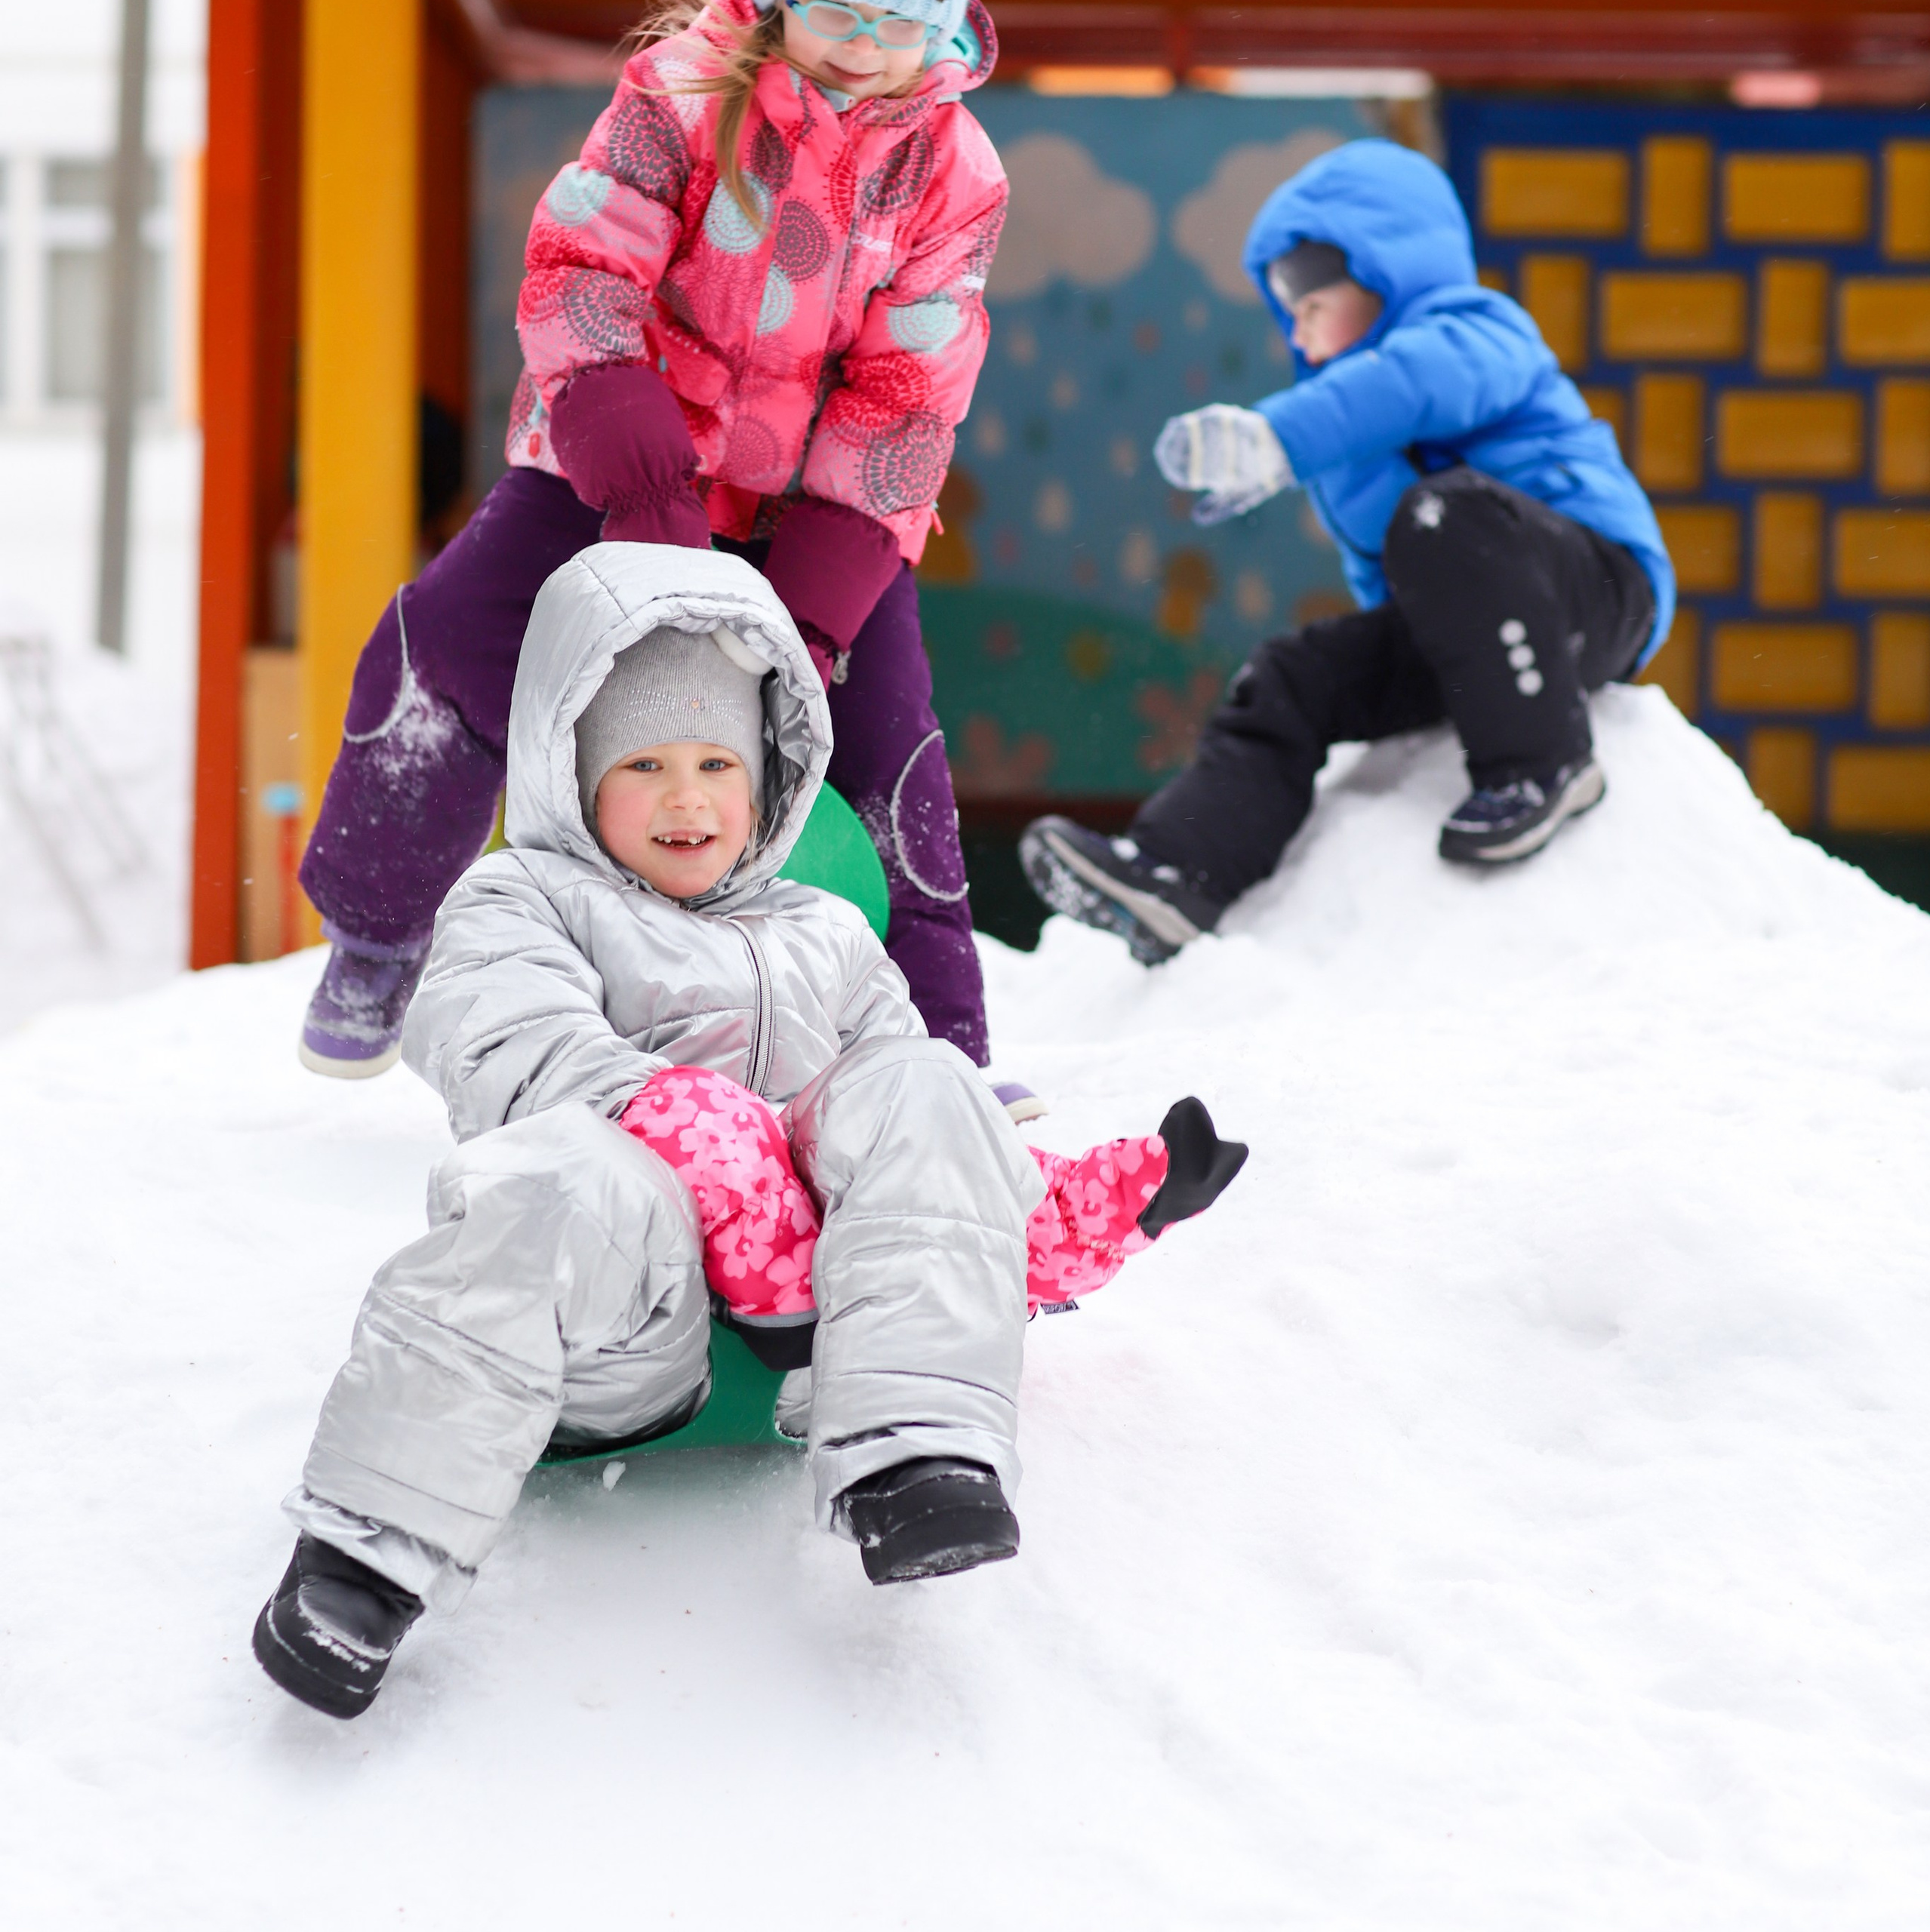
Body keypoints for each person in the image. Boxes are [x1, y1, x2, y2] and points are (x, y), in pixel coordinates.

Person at [251, 543, 1245, 1721]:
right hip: (630, 1328)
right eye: (645, 764)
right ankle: (366, 1554)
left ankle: (917, 1457)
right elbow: (501, 1045)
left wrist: (1076, 1206)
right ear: (570, 772)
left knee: (925, 1077)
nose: (688, 798)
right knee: (556, 1183)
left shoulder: (827, 929)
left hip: (829, 1338)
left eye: (718, 761)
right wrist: (670, 1116)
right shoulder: (520, 900)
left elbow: (916, 1145)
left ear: (767, 772)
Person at [297, 0, 1016, 1097]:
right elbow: (582, 268)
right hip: (614, 459)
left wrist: (812, 617)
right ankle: (378, 930)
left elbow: (910, 393)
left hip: (817, 507)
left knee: (885, 745)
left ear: (952, 23)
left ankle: (938, 1055)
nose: (864, 43)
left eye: (898, 20)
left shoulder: (955, 170)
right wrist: (637, 480)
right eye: (837, 9)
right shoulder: (685, 90)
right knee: (448, 644)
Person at [1020, 139, 1676, 965]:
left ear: (1384, 270)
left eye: (1309, 300)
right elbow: (1388, 576)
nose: (1296, 328)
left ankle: (1540, 764)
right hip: (1470, 629)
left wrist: (1282, 437)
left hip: (1594, 590)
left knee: (1443, 514)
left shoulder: (1474, 328)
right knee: (1293, 672)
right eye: (1285, 312)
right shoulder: (1347, 438)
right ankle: (1180, 868)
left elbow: (1416, 384)